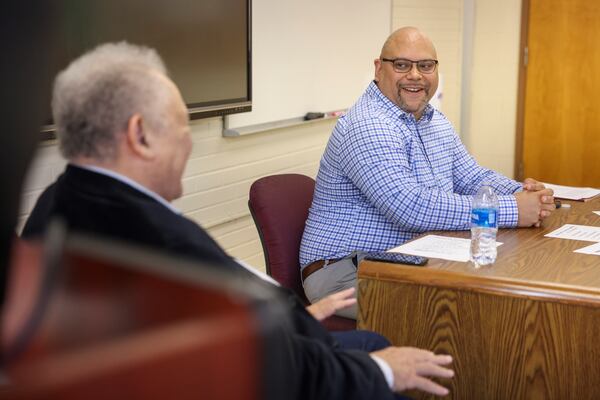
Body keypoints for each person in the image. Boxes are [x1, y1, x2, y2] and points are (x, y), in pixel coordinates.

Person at [21, 42, 453, 399]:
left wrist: (295, 316)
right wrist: (381, 374)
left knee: (371, 344)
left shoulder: (59, 204)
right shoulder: (160, 243)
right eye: (181, 127)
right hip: (255, 370)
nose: (188, 145)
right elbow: (273, 366)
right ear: (140, 135)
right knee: (380, 358)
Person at [299, 26, 556, 319]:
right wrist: (512, 209)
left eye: (425, 65)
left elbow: (470, 176)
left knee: (497, 293)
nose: (415, 75)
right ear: (378, 68)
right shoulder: (369, 125)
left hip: (407, 258)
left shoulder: (432, 120)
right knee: (468, 311)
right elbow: (411, 207)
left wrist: (521, 192)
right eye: (401, 65)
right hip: (347, 273)